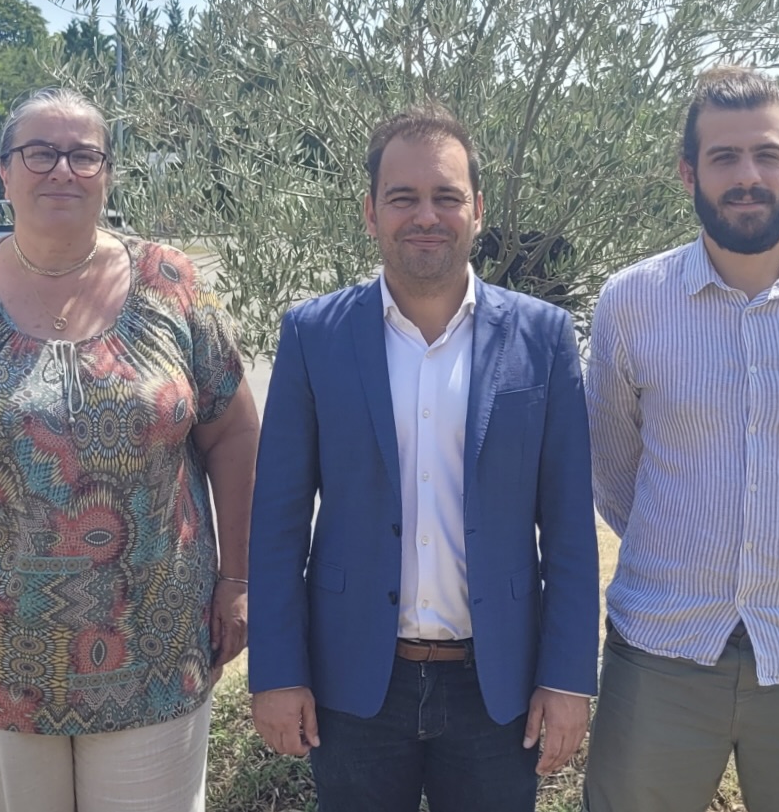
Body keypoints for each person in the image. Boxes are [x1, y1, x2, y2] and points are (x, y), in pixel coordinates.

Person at [247, 104, 599, 812]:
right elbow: (278, 522)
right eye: (403, 197)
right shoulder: (314, 336)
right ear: (370, 212)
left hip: (496, 686)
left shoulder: (543, 338)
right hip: (354, 683)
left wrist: (566, 679)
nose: (426, 216)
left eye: (446, 196)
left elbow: (567, 527)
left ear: (477, 209)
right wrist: (277, 672)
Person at [0, 86, 259, 812]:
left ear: (107, 173)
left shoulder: (168, 283)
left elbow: (234, 431)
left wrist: (238, 578)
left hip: (154, 644)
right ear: (3, 171)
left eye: (84, 155)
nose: (62, 170)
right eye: (39, 153)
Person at [584, 67, 779, 811]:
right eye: (723, 156)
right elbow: (613, 470)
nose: (746, 176)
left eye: (766, 155)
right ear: (688, 171)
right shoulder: (631, 302)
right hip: (661, 654)